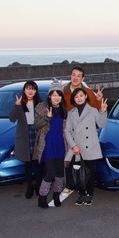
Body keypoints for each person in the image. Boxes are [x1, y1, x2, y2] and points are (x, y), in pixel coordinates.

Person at [65, 87, 108, 206]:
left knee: (89, 172)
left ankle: (89, 194)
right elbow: (67, 131)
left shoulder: (93, 110)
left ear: (85, 96)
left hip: (90, 146)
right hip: (77, 148)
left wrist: (103, 111)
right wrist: (73, 146)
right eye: (76, 96)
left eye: (81, 95)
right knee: (78, 172)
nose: (79, 98)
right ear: (74, 99)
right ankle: (81, 193)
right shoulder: (71, 113)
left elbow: (101, 124)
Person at [33, 80, 68, 209]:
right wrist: (47, 117)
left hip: (61, 144)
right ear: (49, 95)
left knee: (60, 173)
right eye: (53, 94)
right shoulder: (41, 108)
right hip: (47, 145)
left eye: (58, 94)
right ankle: (42, 197)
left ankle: (56, 195)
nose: (56, 97)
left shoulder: (64, 109)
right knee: (50, 173)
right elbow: (36, 126)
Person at [9, 80, 41, 199]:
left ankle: (38, 185)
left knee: (38, 163)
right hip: (24, 134)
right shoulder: (20, 103)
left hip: (37, 132)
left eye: (33, 88)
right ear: (24, 90)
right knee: (27, 164)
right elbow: (12, 118)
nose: (30, 91)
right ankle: (29, 187)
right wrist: (16, 106)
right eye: (28, 88)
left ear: (35, 91)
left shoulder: (40, 103)